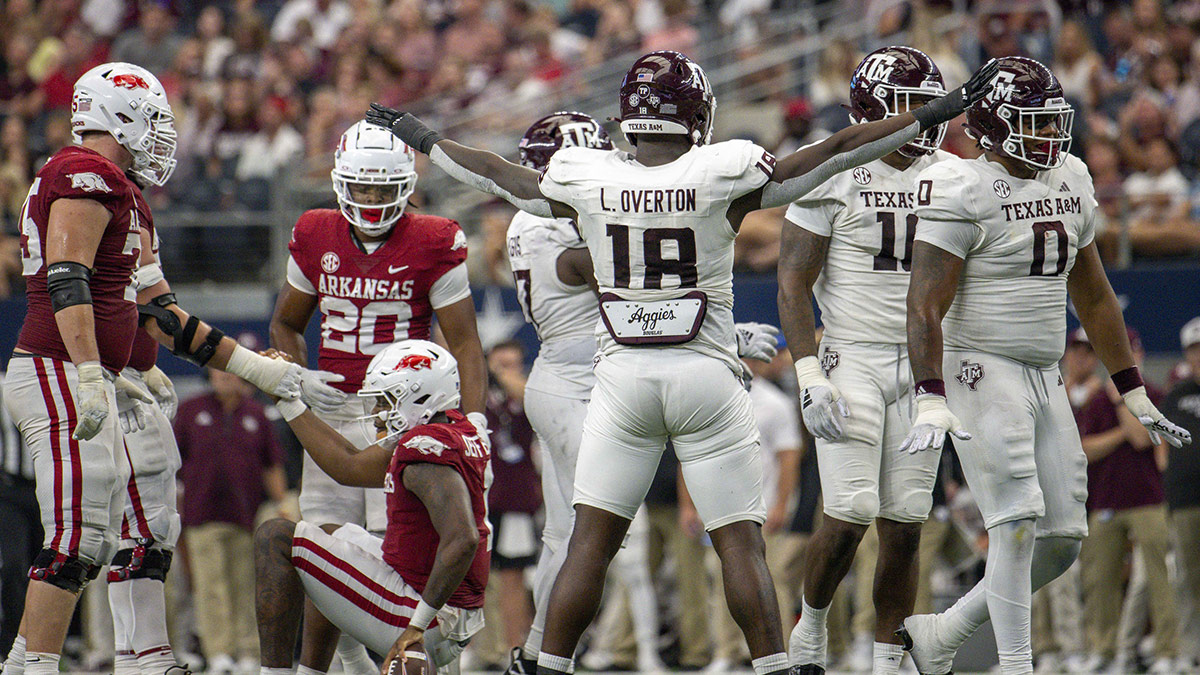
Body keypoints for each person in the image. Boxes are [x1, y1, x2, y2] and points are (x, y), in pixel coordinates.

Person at [365, 48, 998, 675]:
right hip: (704, 376)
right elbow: (837, 151)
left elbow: (498, 174)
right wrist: (936, 112)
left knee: (591, 540)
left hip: (621, 380)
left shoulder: (589, 177)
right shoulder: (723, 170)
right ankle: (777, 667)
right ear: (697, 114)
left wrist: (421, 136)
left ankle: (546, 664)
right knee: (740, 544)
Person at [897, 56, 1192, 675]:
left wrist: (1131, 389)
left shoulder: (1073, 175)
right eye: (1032, 123)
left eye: (1053, 121)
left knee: (1061, 540)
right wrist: (929, 390)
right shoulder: (963, 187)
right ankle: (1016, 664)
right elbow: (924, 301)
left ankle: (942, 632)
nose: (1049, 136)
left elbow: (1093, 294)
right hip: (979, 362)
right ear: (991, 126)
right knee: (1016, 517)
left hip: (1043, 368)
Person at [0, 61, 290, 675]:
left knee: (152, 520)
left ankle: (145, 657)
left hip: (106, 373)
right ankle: (36, 665)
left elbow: (159, 313)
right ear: (118, 114)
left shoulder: (125, 191)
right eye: (154, 119)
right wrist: (88, 368)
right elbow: (67, 277)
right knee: (78, 535)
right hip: (59, 365)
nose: (163, 133)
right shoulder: (83, 172)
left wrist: (258, 372)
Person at [498, 110, 782, 675]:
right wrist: (721, 330)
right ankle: (566, 656)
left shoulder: (539, 221)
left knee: (569, 536)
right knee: (598, 540)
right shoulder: (549, 230)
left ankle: (536, 654)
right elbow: (626, 266)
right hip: (582, 383)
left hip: (575, 380)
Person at [269, 119, 487, 675]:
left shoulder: (434, 240)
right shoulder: (316, 231)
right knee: (321, 551)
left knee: (388, 555)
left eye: (381, 188)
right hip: (336, 408)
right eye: (360, 187)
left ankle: (412, 654)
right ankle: (318, 669)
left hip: (402, 415)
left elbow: (464, 342)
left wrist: (475, 422)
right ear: (341, 182)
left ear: (405, 187)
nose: (369, 199)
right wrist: (298, 375)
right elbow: (286, 325)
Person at [775, 46, 956, 675]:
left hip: (923, 364)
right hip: (851, 354)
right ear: (873, 108)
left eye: (932, 107)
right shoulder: (838, 168)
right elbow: (794, 281)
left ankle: (887, 656)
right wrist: (806, 373)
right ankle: (812, 625)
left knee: (906, 525)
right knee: (849, 513)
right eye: (912, 107)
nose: (925, 121)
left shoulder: (953, 172)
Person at [256, 340, 489, 675]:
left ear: (421, 396)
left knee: (275, 536)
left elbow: (463, 538)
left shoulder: (423, 450)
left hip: (427, 610)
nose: (380, 412)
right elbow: (348, 465)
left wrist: (417, 626)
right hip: (449, 604)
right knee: (330, 538)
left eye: (388, 400)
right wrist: (286, 399)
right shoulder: (454, 428)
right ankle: (334, 668)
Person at [1074, 328, 1177, 673]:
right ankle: (1103, 651)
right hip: (1106, 502)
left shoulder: (1154, 394)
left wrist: (1120, 400)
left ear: (1141, 356)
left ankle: (1166, 651)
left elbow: (1141, 440)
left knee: (1159, 579)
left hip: (1148, 500)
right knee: (1099, 580)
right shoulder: (1095, 401)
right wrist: (1121, 429)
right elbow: (1085, 450)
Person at [175, 364, 290, 673]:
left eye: (230, 371)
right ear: (209, 376)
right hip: (201, 514)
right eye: (218, 371)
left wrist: (281, 506)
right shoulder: (189, 411)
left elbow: (272, 464)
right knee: (210, 587)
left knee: (247, 586)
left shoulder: (256, 414)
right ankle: (219, 653)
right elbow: (175, 463)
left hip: (246, 515)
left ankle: (249, 650)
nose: (225, 376)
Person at [1161, 317, 1200, 671]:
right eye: (1194, 350)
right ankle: (1190, 651)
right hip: (1185, 499)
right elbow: (1161, 445)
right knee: (1187, 577)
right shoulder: (1176, 395)